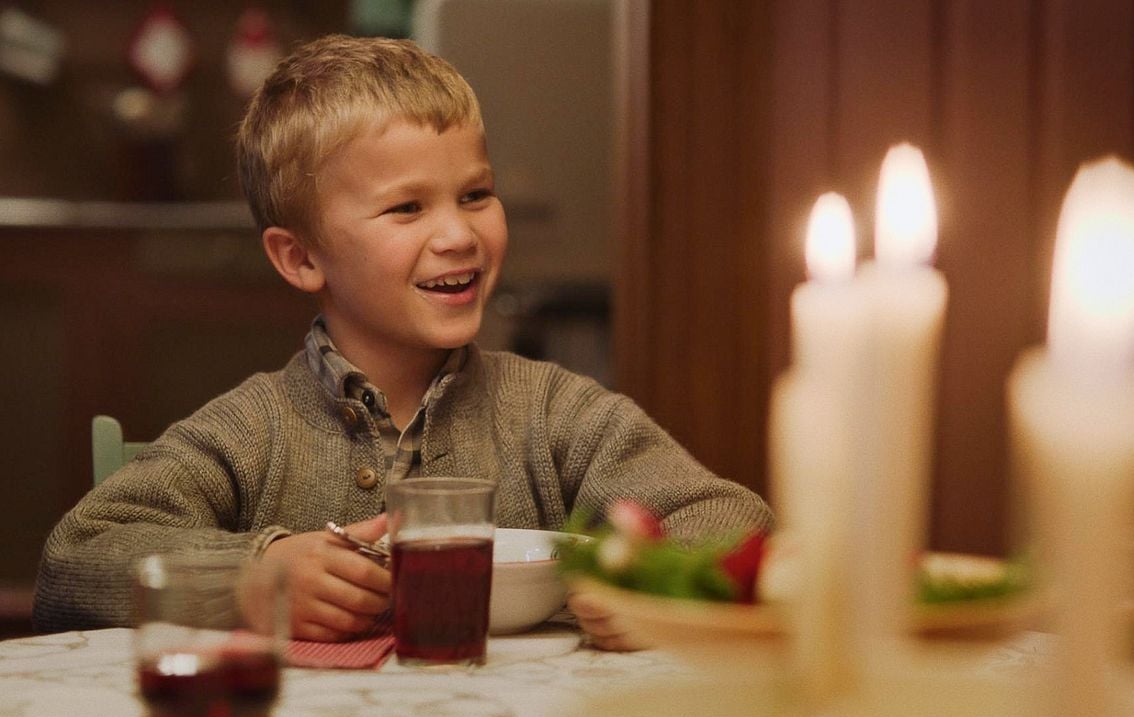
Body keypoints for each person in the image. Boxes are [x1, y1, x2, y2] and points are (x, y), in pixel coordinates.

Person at [34, 34, 773, 649]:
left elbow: (731, 521)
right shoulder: (252, 430)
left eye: (476, 195)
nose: (458, 235)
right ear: (301, 258)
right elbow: (77, 558)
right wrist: (253, 578)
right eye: (407, 207)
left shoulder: (554, 414)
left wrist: (644, 586)